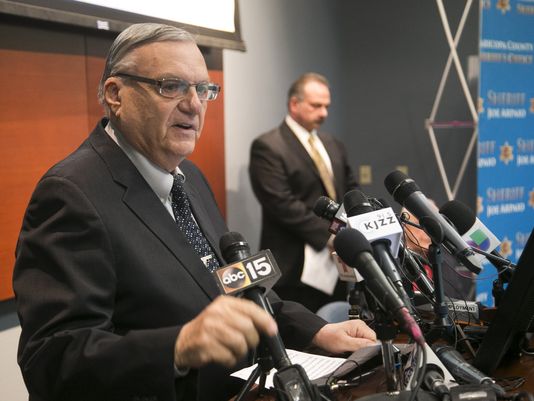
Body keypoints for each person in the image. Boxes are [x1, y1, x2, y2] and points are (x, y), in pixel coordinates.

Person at [13, 23, 376, 401]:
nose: (193, 104)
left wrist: (318, 331)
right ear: (115, 94)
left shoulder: (191, 179)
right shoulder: (71, 193)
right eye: (171, 86)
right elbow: (52, 359)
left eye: (203, 89)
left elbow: (241, 290)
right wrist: (178, 346)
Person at [249, 73, 358, 312]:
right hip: (294, 267)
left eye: (326, 106)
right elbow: (281, 203)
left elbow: (350, 190)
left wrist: (345, 231)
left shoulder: (333, 144)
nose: (324, 113)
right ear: (294, 104)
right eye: (316, 106)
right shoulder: (268, 146)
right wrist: (329, 236)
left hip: (336, 265)